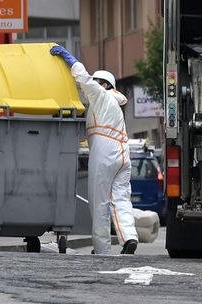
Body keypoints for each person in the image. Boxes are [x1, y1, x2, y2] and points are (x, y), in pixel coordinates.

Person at [49, 44, 138, 255]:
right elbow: (94, 132)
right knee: (121, 199)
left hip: (104, 155)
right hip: (123, 155)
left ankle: (102, 250)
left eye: (98, 82)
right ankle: (129, 237)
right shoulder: (113, 105)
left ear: (105, 84)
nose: (93, 86)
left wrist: (66, 56)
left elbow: (83, 77)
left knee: (99, 203)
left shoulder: (101, 95)